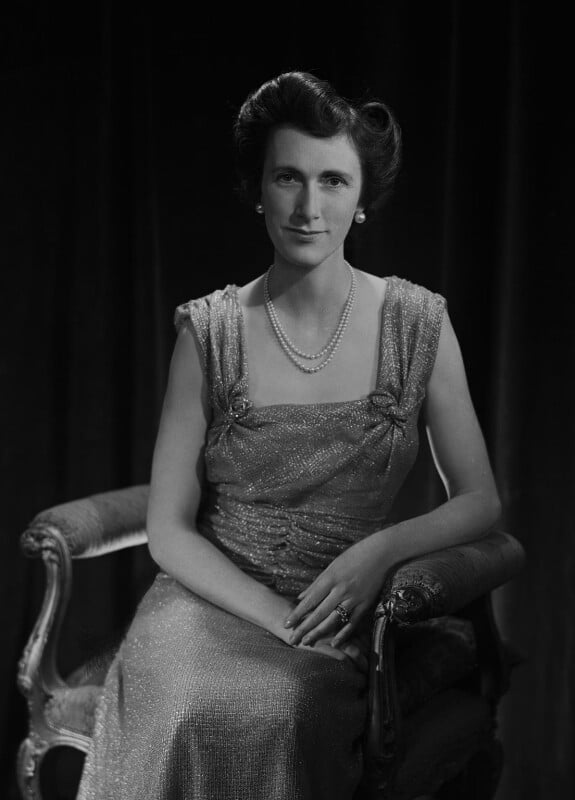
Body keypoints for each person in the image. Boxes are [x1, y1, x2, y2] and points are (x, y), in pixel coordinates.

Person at [77, 71, 501, 800]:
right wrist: (278, 619)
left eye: (333, 181)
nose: (308, 207)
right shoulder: (208, 333)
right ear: (257, 190)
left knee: (283, 710)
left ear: (361, 198)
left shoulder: (417, 324)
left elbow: (480, 500)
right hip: (208, 599)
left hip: (335, 603)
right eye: (287, 178)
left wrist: (379, 553)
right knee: (186, 709)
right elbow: (169, 530)